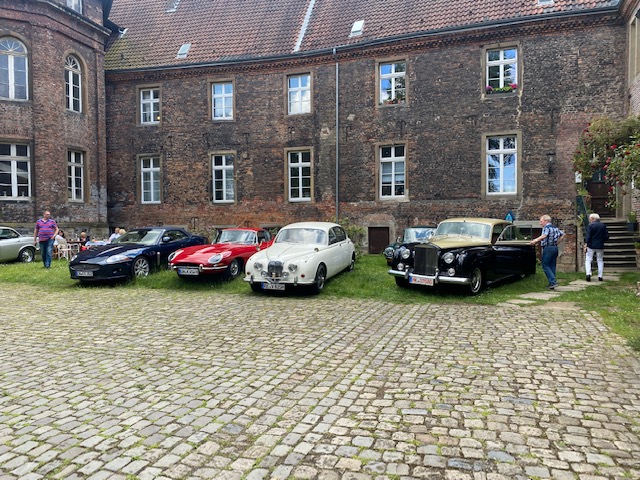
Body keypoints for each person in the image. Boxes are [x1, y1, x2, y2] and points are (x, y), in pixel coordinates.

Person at [530, 214, 565, 289]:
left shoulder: (546, 228)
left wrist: (535, 240)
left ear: (546, 221)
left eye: (541, 221)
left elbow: (544, 235)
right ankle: (552, 283)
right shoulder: (555, 228)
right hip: (555, 247)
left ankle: (553, 282)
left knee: (545, 265)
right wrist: (557, 242)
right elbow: (562, 235)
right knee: (552, 265)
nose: (540, 223)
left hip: (548, 248)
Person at [584, 213, 609, 282]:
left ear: (593, 219)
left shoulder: (590, 225)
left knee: (588, 260)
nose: (589, 220)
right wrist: (602, 241)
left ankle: (588, 274)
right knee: (600, 260)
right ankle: (600, 276)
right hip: (600, 245)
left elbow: (588, 236)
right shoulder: (603, 225)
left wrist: (586, 244)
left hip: (591, 245)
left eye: (590, 219)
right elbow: (606, 236)